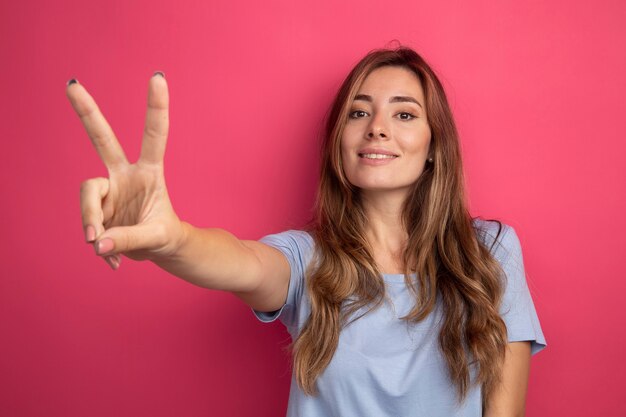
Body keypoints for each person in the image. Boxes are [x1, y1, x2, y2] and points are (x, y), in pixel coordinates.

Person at [67, 46, 546, 416]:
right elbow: (238, 261)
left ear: (434, 146)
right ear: (339, 141)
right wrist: (173, 240)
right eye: (359, 112)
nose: (377, 127)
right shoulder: (307, 261)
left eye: (404, 114)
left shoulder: (491, 252)